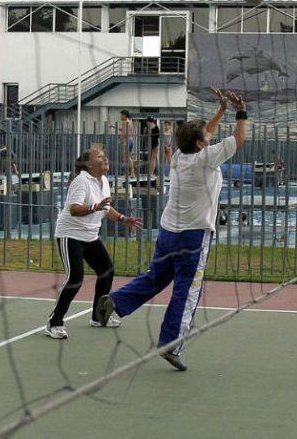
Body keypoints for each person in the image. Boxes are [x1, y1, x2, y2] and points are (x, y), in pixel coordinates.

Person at [95, 88, 248, 370]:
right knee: (186, 291)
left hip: (168, 231)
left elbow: (203, 134)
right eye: (206, 137)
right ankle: (171, 345)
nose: (209, 137)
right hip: (193, 236)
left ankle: (115, 301)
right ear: (202, 145)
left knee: (157, 276)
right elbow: (239, 139)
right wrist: (241, 111)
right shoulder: (206, 158)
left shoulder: (179, 155)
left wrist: (220, 112)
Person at [45, 146, 143, 339]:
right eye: (100, 156)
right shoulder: (81, 181)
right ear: (89, 164)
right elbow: (74, 209)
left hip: (90, 236)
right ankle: (54, 323)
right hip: (70, 234)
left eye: (105, 156)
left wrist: (124, 219)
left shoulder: (104, 180)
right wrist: (94, 207)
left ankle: (98, 317)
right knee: (75, 278)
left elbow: (105, 208)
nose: (105, 158)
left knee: (107, 270)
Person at [118, 110, 136, 178]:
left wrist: (120, 139)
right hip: (131, 140)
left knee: (126, 158)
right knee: (128, 157)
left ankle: (130, 173)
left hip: (127, 141)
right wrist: (114, 127)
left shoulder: (124, 122)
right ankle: (131, 173)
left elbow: (124, 133)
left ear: (124, 115)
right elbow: (126, 130)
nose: (120, 116)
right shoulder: (130, 121)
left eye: (121, 115)